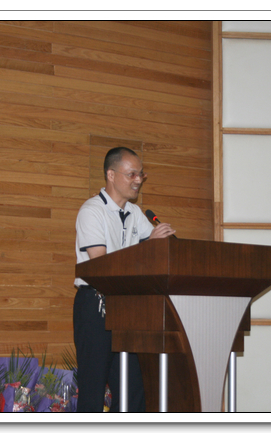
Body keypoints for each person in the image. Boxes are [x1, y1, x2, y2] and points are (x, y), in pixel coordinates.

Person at [73, 147, 176, 412]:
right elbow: (100, 265)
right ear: (111, 175)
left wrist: (159, 245)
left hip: (127, 307)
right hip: (95, 305)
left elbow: (151, 255)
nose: (138, 180)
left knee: (132, 392)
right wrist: (148, 245)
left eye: (141, 174)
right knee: (93, 389)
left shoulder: (135, 212)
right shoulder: (92, 211)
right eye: (132, 174)